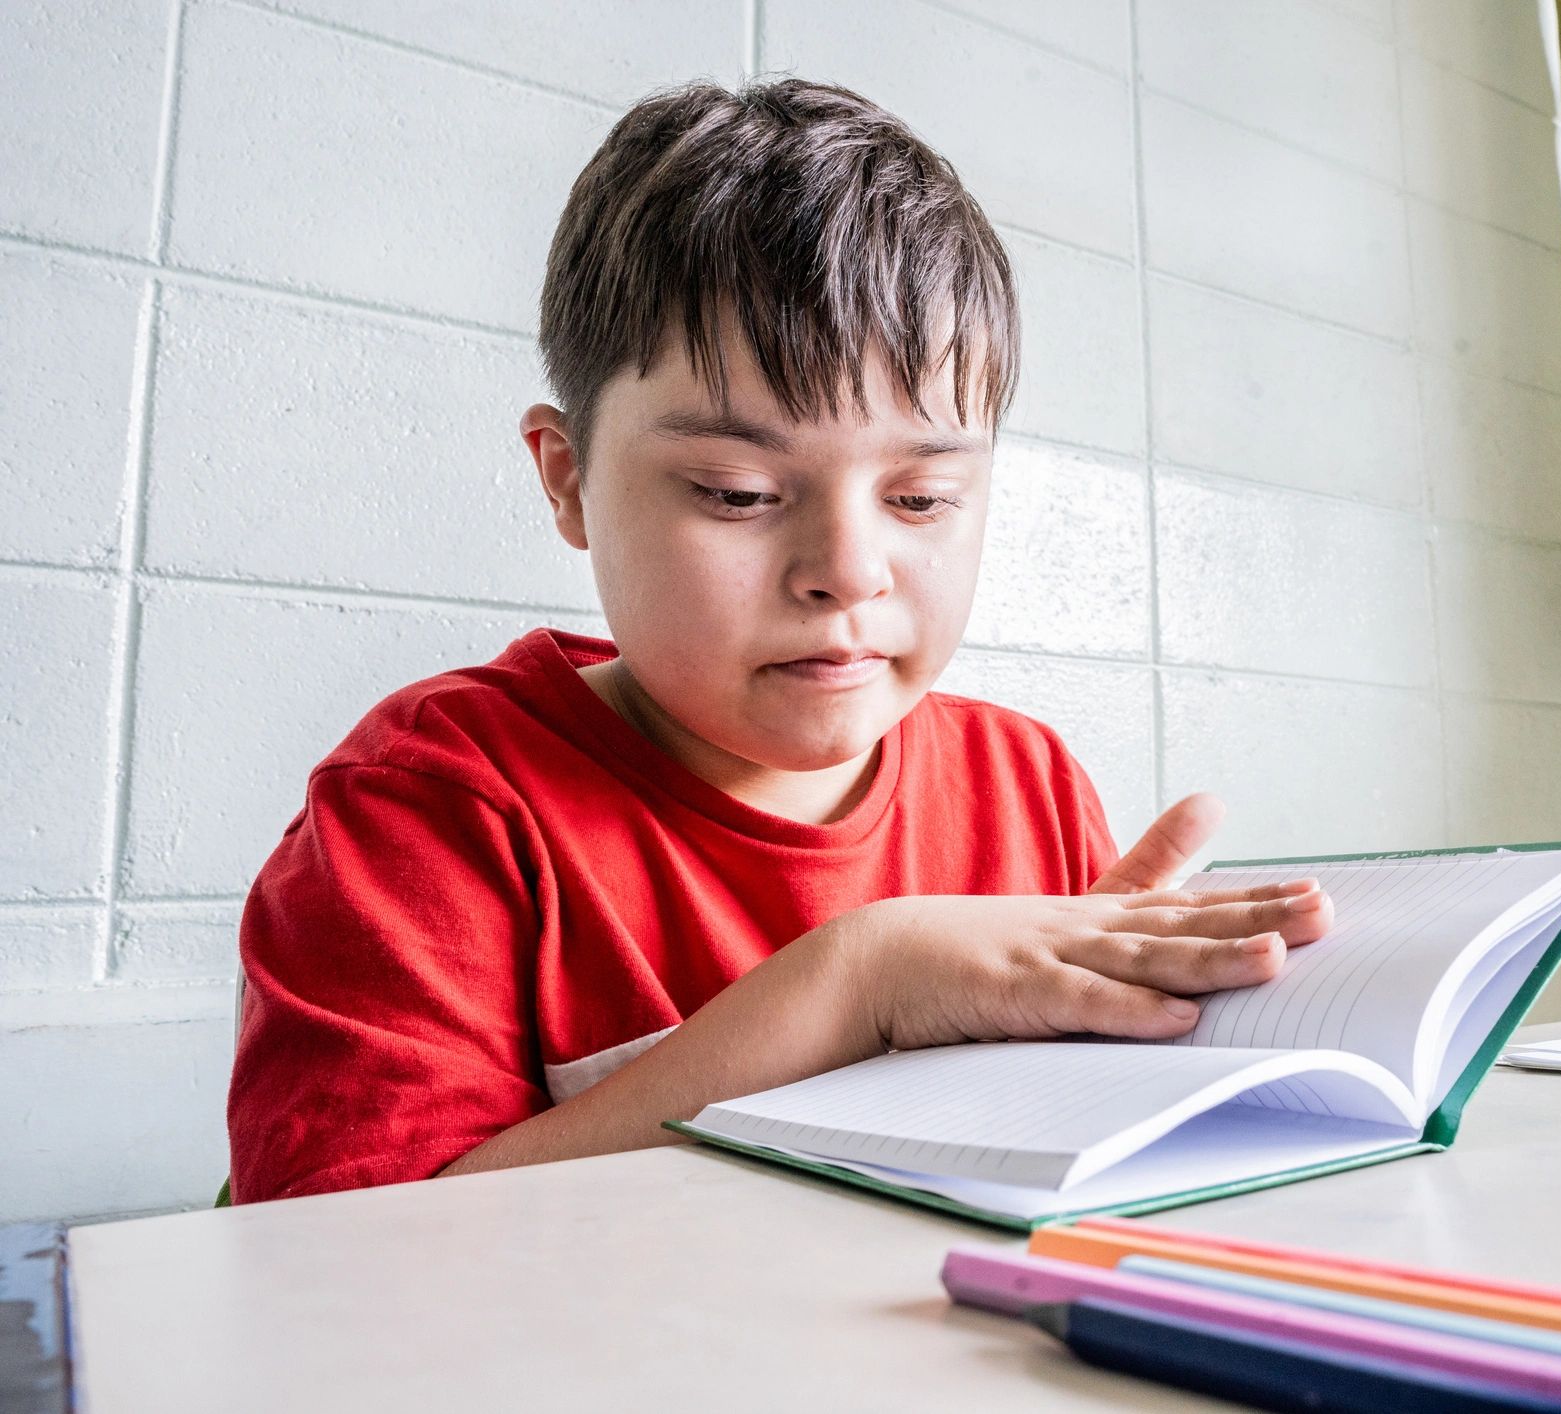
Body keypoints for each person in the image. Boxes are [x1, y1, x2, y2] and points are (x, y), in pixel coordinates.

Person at [225, 78, 1331, 1203]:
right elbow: (329, 1264)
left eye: (921, 498)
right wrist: (856, 990)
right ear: (569, 481)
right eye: (739, 491)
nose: (848, 571)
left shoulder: (1027, 788)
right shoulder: (434, 809)